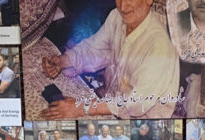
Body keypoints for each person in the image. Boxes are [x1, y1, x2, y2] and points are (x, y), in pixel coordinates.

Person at [39, 0, 180, 119]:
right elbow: (95, 49)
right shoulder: (117, 17)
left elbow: (136, 103)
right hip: (109, 98)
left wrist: (83, 107)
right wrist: (63, 61)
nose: (122, 7)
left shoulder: (159, 46)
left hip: (139, 121)